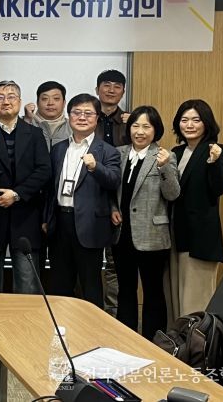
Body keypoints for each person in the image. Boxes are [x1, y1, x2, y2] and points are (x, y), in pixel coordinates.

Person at [0, 81, 51, 294]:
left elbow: (44, 170)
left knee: (27, 283)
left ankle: (26, 319)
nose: (5, 101)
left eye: (11, 97)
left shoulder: (34, 133)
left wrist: (17, 194)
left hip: (25, 214)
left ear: (19, 101)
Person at [110, 106, 180, 340]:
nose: (140, 132)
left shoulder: (164, 156)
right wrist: (112, 208)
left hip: (152, 235)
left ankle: (153, 341)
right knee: (125, 290)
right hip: (122, 234)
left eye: (146, 126)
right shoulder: (118, 154)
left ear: (155, 130)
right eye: (135, 126)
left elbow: (172, 194)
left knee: (153, 292)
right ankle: (126, 338)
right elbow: (109, 190)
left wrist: (164, 167)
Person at [46, 93, 121, 308]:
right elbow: (50, 188)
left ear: (97, 118)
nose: (82, 117)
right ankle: (60, 325)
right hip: (60, 222)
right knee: (59, 283)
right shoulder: (58, 149)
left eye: (88, 113)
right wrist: (46, 218)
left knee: (90, 285)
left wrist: (96, 167)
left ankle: (92, 327)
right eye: (76, 112)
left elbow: (114, 180)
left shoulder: (108, 151)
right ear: (69, 116)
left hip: (90, 225)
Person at [169, 99, 223, 318]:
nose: (190, 125)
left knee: (196, 301)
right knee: (175, 297)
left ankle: (196, 340)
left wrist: (214, 163)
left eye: (196, 120)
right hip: (175, 233)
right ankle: (177, 338)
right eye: (184, 120)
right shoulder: (175, 152)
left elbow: (219, 189)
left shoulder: (215, 150)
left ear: (206, 123)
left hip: (200, 238)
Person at [94, 69, 129, 317]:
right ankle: (88, 311)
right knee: (89, 260)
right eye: (106, 85)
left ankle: (113, 315)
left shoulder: (130, 122)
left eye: (117, 86)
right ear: (97, 89)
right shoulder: (86, 116)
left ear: (123, 92)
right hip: (90, 195)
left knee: (115, 262)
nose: (111, 90)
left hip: (121, 195)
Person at [23, 80, 72, 151]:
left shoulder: (73, 127)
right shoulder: (24, 123)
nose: (50, 103)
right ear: (37, 103)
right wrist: (27, 121)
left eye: (56, 98)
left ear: (64, 103)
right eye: (45, 99)